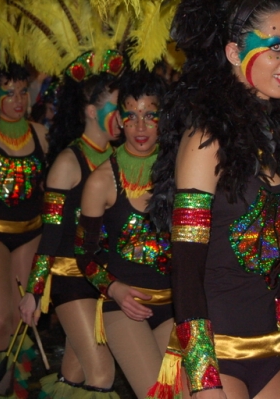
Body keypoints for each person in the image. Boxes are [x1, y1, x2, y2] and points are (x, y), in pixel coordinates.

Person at [152, 0, 280, 399]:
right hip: (215, 353)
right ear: (232, 52)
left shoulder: (276, 139)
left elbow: (274, 260)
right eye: (277, 45)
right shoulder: (206, 140)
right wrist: (205, 380)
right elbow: (185, 270)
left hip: (268, 348)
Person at [18, 54, 123, 399]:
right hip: (71, 279)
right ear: (92, 111)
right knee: (102, 372)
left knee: (75, 374)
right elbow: (50, 235)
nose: (124, 118)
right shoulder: (68, 162)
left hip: (106, 280)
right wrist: (34, 292)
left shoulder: (119, 161)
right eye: (117, 108)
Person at [75, 71, 175, 398]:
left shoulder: (183, 173)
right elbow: (84, 256)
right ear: (118, 119)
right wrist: (114, 289)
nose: (141, 127)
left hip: (174, 305)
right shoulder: (101, 181)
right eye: (131, 116)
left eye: (150, 115)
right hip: (124, 306)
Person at [0, 62, 48, 399]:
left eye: (22, 92)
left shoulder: (41, 134)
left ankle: (15, 392)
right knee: (1, 319)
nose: (18, 100)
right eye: (9, 93)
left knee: (25, 319)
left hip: (31, 231)